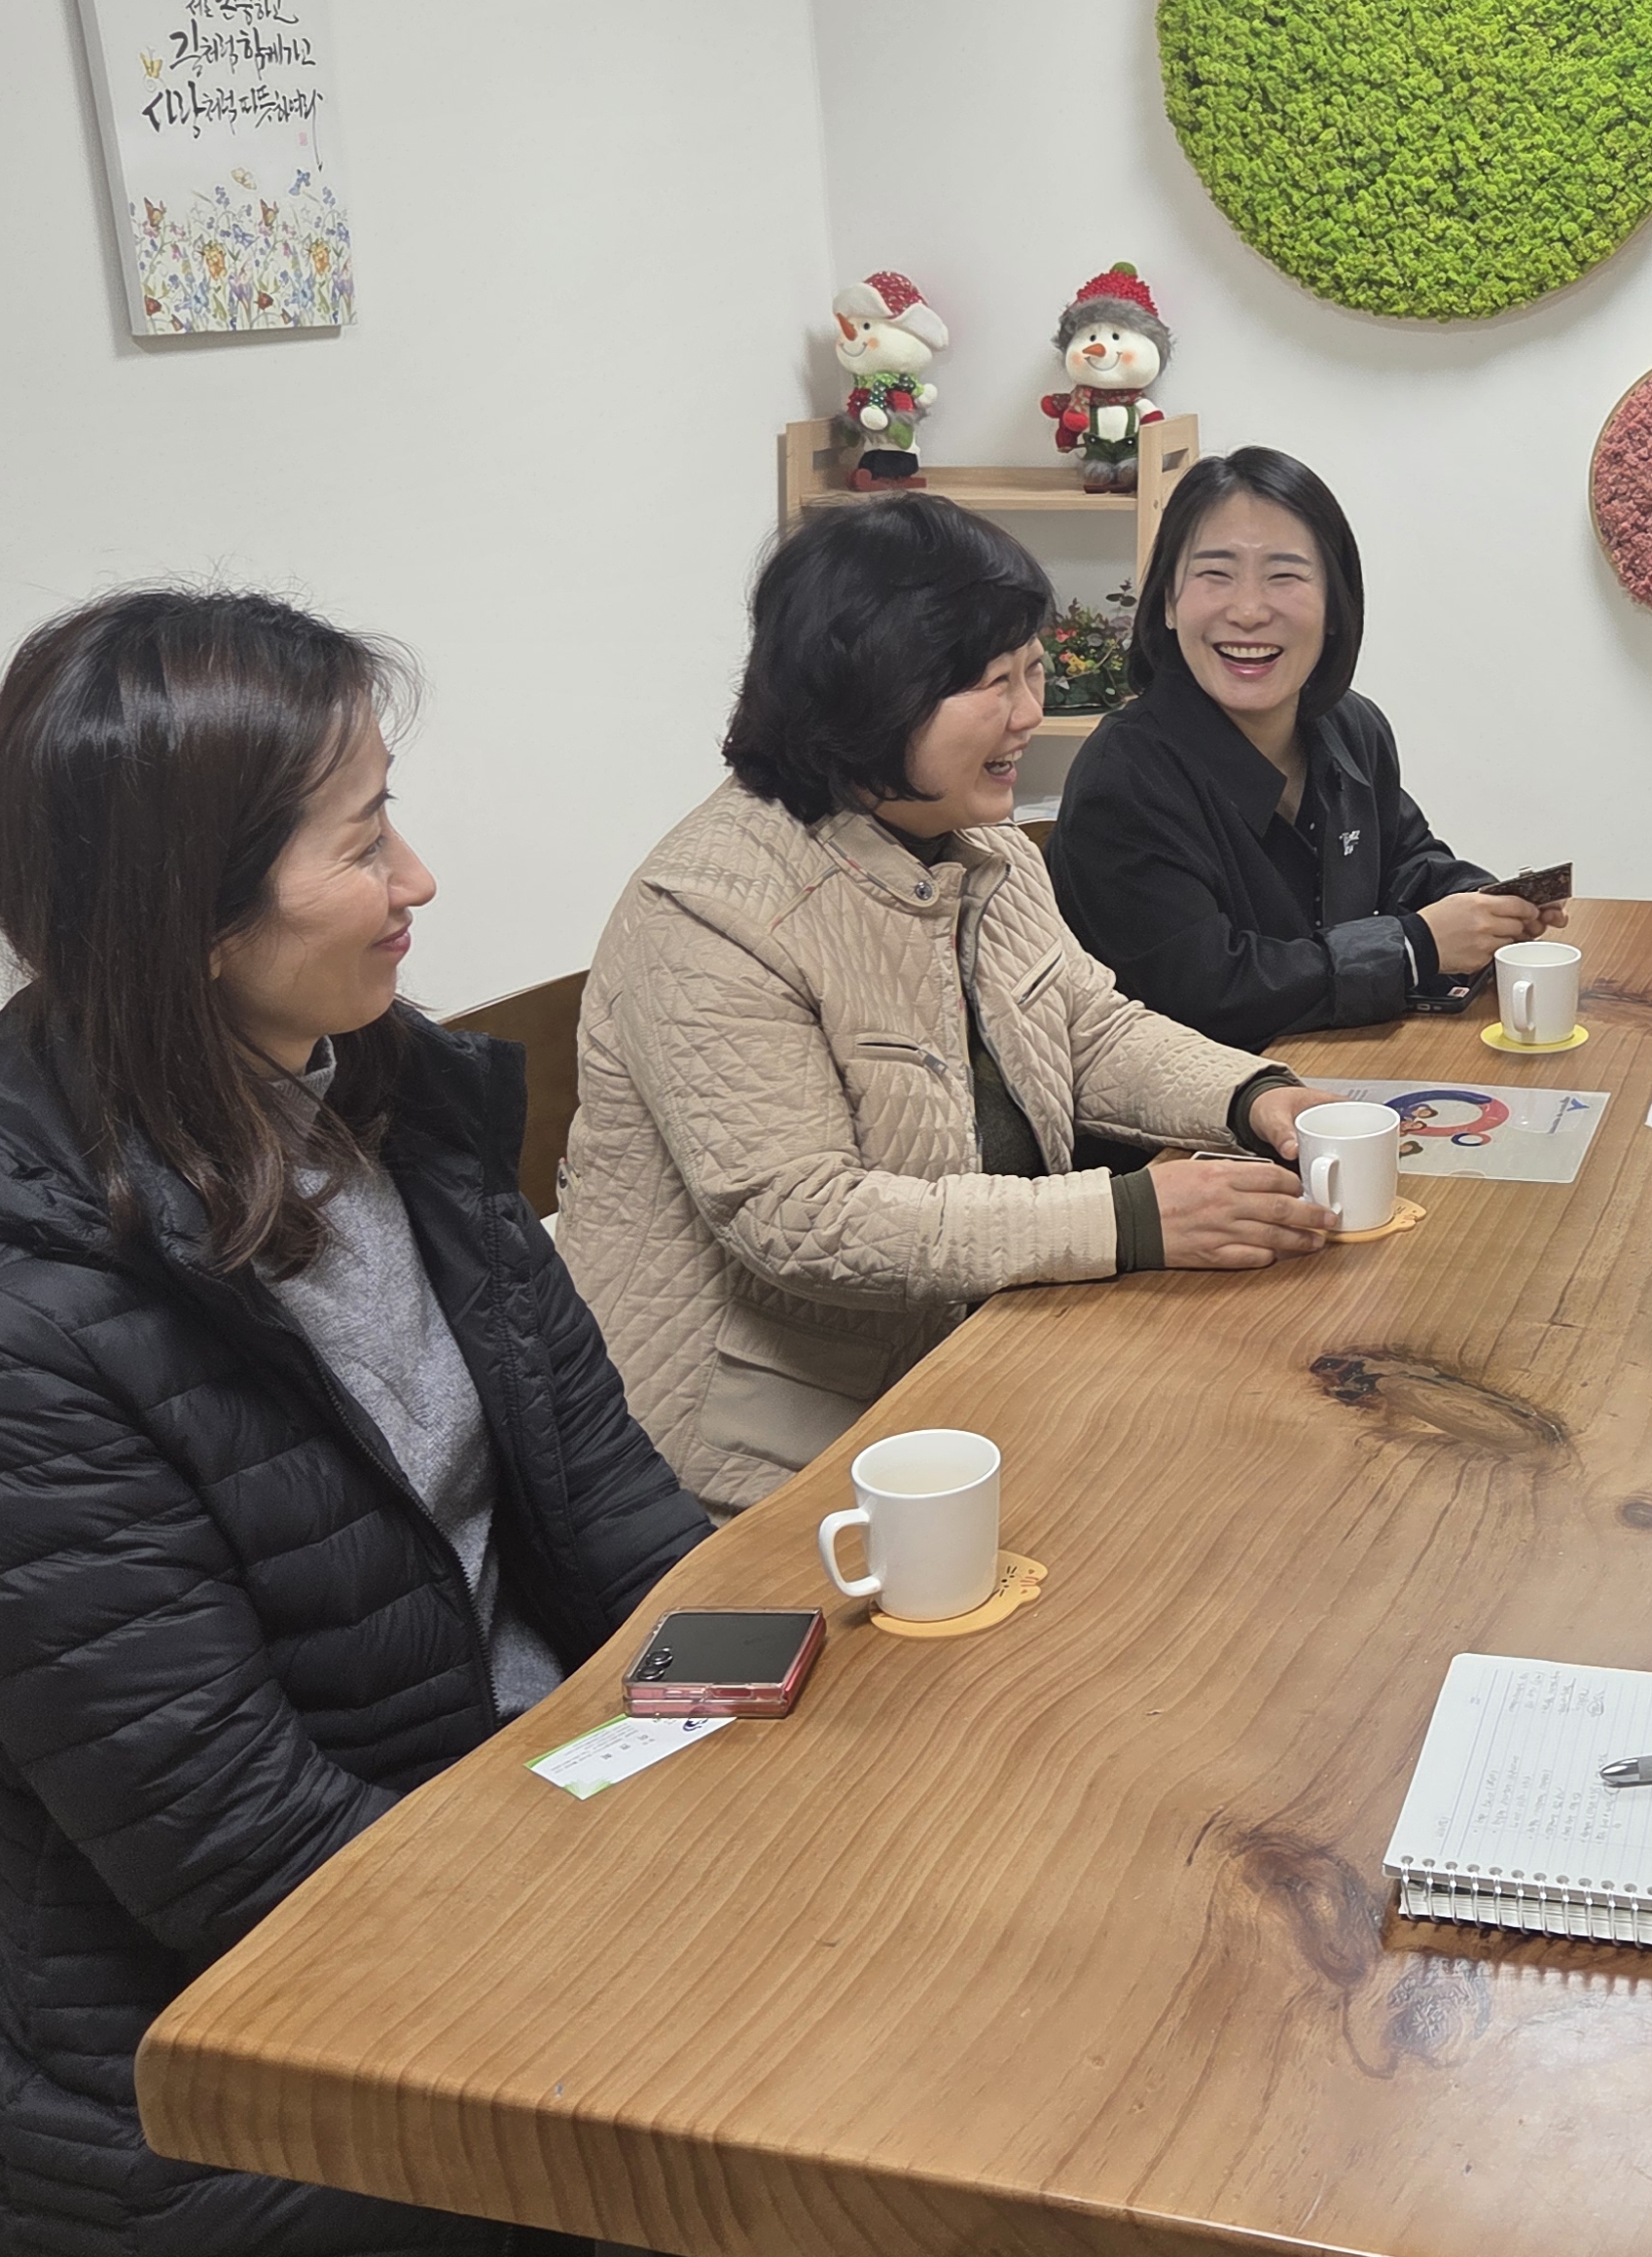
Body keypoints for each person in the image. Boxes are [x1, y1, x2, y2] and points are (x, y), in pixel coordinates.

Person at [0, 591, 719, 2257]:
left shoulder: (379, 1101)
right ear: (191, 913)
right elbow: (243, 1857)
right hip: (230, 2102)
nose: (420, 880)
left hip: (499, 1831)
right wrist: (619, 1900)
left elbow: (606, 1497)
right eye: (362, 838)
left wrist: (765, 1688)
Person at [561, 495, 1347, 1519]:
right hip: (767, 1457)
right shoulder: (710, 911)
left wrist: (1255, 1096)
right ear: (870, 697)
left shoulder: (984, 847)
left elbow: (1089, 1028)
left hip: (975, 1364)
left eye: (1033, 670)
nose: (1031, 713)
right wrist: (1126, 1217)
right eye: (993, 683)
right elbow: (800, 1215)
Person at [1046, 445, 1559, 1051]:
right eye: (1215, 574)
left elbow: (1403, 861)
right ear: (1168, 603)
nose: (1248, 610)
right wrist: (1414, 947)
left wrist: (1486, 905)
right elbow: (1204, 995)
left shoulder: (1353, 726)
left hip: (1346, 1075)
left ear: (1336, 607)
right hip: (1201, 1105)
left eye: (1284, 576)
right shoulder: (1124, 778)